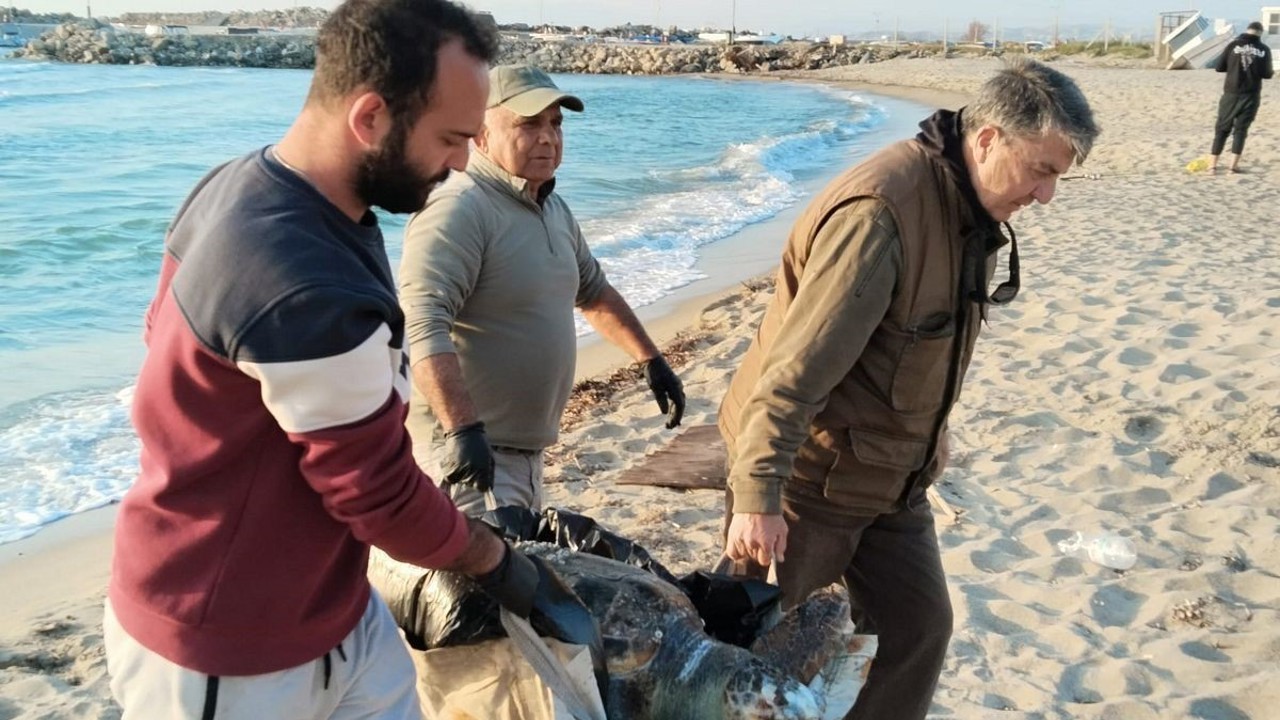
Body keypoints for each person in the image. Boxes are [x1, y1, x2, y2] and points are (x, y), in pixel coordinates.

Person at [105, 2, 586, 718]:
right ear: (370, 119)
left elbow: (159, 333)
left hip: (335, 606)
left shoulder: (241, 183)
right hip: (224, 642)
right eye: (452, 139)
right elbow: (382, 498)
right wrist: (503, 566)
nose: (461, 163)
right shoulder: (303, 281)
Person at [718, 58, 1099, 720]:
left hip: (894, 480)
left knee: (918, 629)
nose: (1046, 196)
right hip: (808, 479)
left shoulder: (968, 207)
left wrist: (934, 431)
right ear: (986, 141)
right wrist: (757, 496)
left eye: (1056, 177)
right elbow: (791, 375)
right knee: (747, 663)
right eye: (1042, 170)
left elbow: (921, 343)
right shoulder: (880, 217)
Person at [399, 63, 686, 516]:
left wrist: (652, 361)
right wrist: (461, 431)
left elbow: (593, 292)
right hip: (467, 455)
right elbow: (420, 324)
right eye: (528, 124)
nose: (548, 138)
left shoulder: (551, 208)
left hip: (528, 458)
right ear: (479, 133)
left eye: (555, 124)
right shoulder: (459, 208)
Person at [1209, 20, 1273, 174]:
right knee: (1241, 130)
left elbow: (1219, 67)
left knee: (1222, 128)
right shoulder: (1264, 49)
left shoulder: (1232, 45)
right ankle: (1232, 167)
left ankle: (1212, 166)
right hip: (1251, 94)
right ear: (1260, 33)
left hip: (1231, 92)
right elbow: (1267, 74)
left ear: (1247, 30)